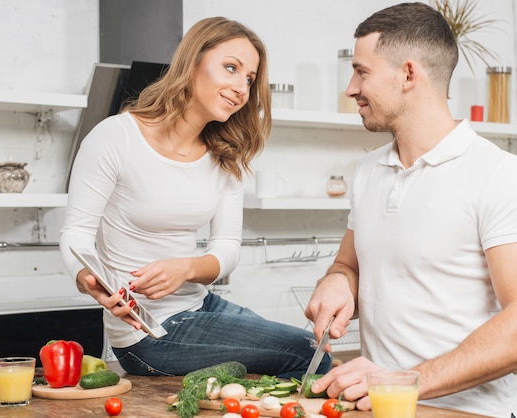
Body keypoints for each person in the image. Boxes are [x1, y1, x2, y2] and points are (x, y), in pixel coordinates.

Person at [304, 3, 517, 417]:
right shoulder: (369, 171)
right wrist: (337, 282)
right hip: (387, 411)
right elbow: (348, 266)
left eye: (361, 71)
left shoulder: (502, 175)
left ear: (408, 74)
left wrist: (400, 382)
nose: (351, 88)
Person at [60, 16, 331, 380]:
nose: (240, 87)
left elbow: (227, 249)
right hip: (148, 333)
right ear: (193, 62)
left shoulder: (225, 153)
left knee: (315, 353)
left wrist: (185, 268)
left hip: (201, 306)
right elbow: (76, 235)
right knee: (306, 353)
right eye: (231, 68)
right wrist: (92, 282)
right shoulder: (116, 138)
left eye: (249, 79)